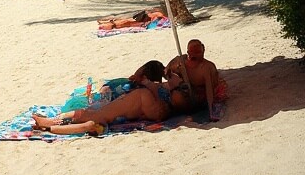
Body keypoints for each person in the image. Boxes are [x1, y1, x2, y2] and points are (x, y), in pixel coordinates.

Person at [32, 70, 176, 136]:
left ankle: (50, 122)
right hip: (148, 107)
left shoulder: (176, 89)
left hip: (149, 104)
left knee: (92, 115)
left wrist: (146, 83)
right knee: (90, 121)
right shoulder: (172, 86)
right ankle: (49, 126)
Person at [165, 39, 223, 118]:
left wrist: (211, 110)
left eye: (199, 52)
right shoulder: (181, 62)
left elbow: (210, 90)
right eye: (193, 53)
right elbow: (166, 73)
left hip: (202, 96)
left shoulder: (207, 67)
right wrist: (173, 64)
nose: (196, 56)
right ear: (188, 53)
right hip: (189, 91)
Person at [98, 8, 168, 29]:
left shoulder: (159, 14)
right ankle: (109, 24)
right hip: (144, 21)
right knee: (127, 23)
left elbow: (154, 18)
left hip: (144, 21)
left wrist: (149, 18)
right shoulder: (160, 15)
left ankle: (109, 24)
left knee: (127, 22)